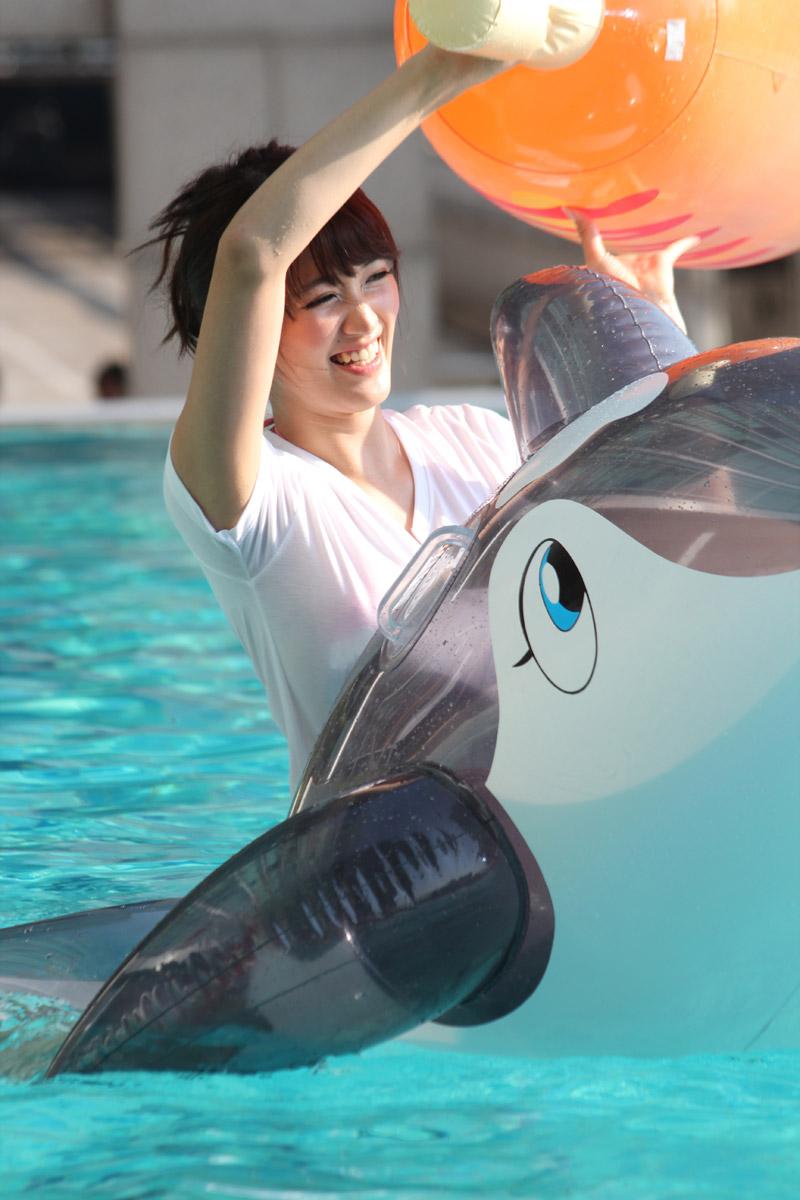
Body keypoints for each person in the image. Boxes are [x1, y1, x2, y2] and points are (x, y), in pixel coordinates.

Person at [150, 43, 696, 791]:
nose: (364, 320)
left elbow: (645, 554)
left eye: (376, 278)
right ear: (251, 325)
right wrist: (440, 77)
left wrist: (658, 343)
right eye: (322, 299)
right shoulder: (252, 503)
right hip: (380, 850)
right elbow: (251, 255)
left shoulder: (475, 439)